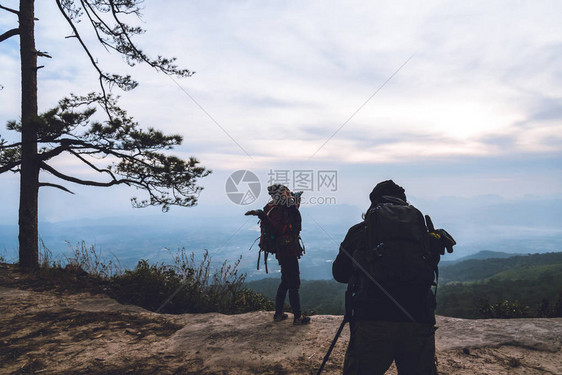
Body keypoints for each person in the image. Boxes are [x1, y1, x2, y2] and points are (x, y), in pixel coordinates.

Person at [332, 180, 453, 375]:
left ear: (374, 204)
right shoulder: (424, 232)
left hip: (372, 320)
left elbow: (340, 274)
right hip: (418, 318)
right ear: (404, 203)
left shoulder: (361, 231)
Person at [246, 184, 311, 325]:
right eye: (287, 192)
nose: (290, 194)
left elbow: (294, 205)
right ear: (281, 195)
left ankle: (279, 313)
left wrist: (296, 196)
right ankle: (298, 317)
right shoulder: (278, 210)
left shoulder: (283, 207)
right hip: (286, 249)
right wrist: (261, 215)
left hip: (285, 248)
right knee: (294, 283)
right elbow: (276, 228)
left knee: (286, 281)